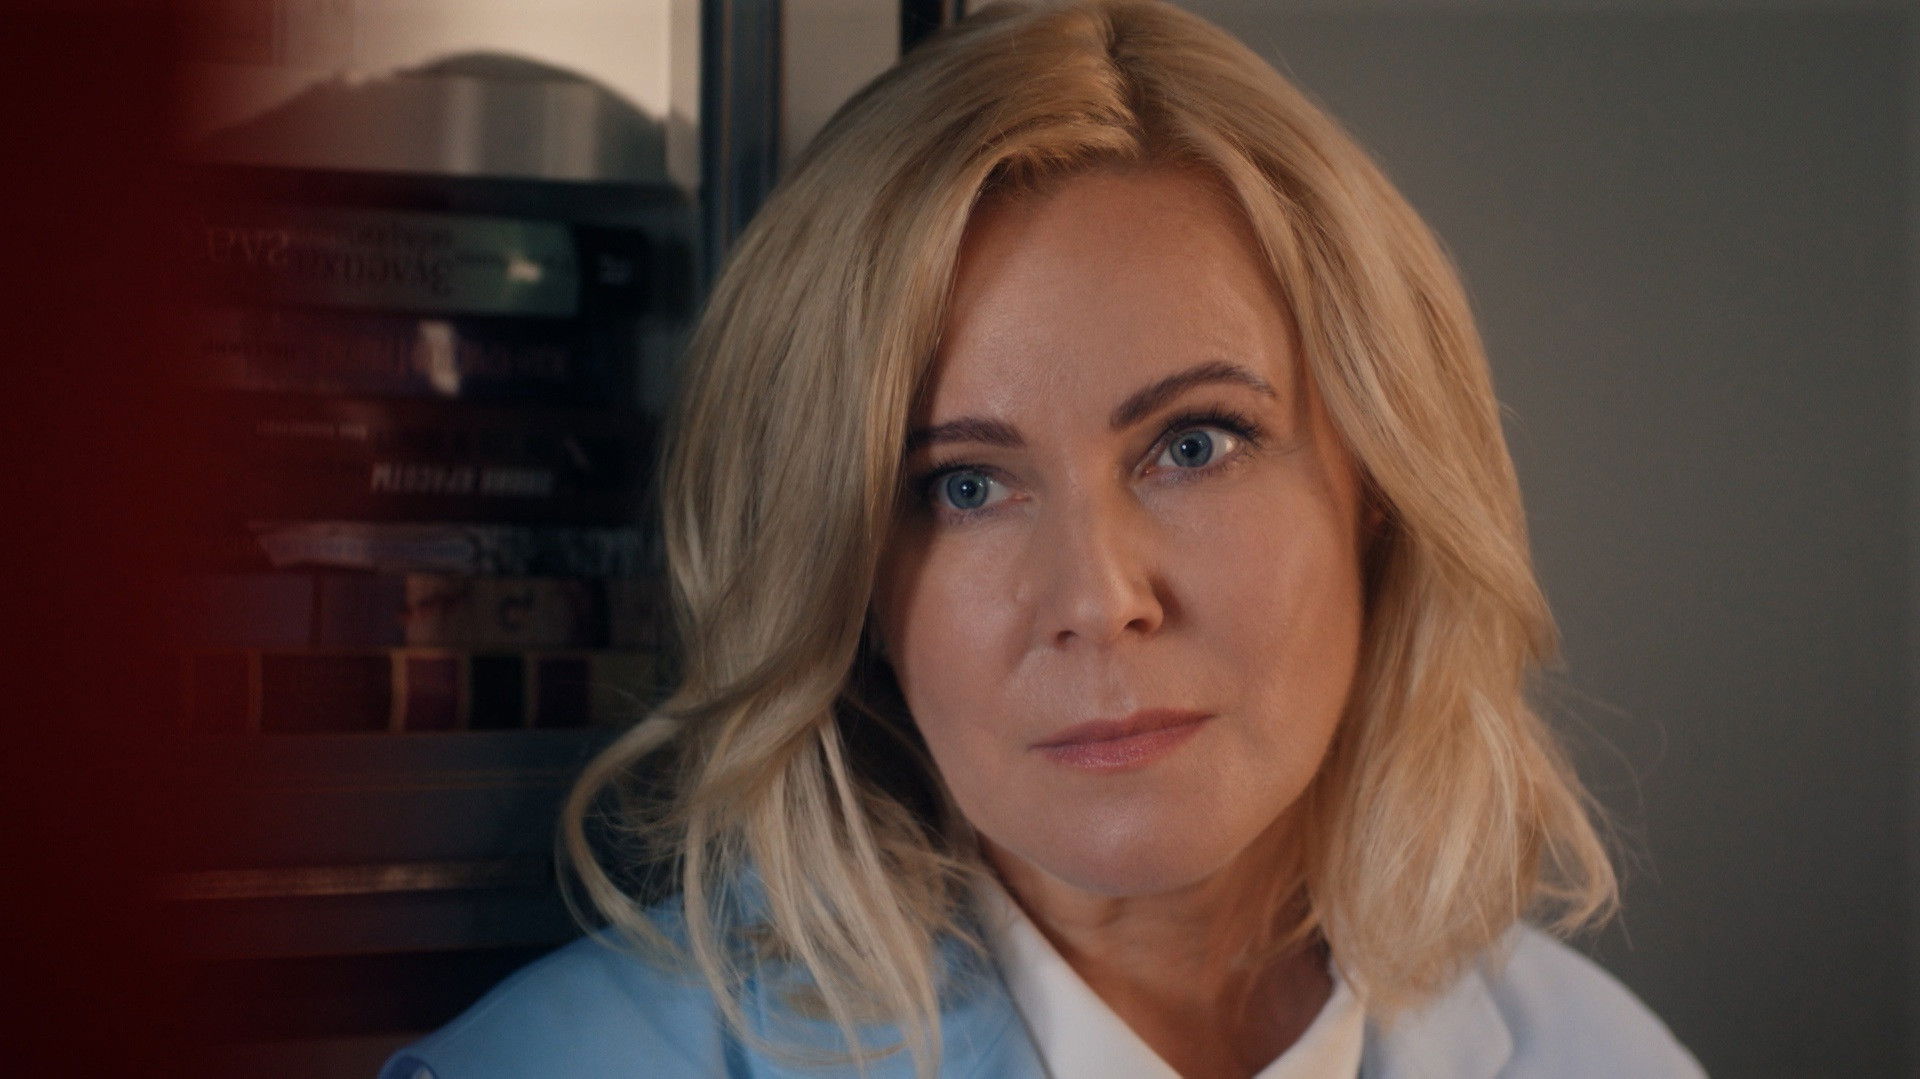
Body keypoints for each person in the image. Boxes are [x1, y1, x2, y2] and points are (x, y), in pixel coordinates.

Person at [380, 1, 1709, 1076]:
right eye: (964, 485)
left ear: (1381, 482)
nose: (1099, 596)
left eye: (1195, 445)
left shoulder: (1600, 1058)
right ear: (846, 579)